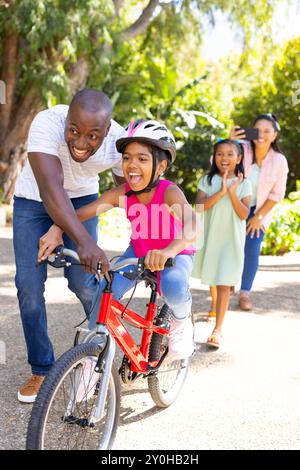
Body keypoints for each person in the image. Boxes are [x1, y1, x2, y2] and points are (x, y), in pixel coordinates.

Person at [39, 119, 197, 363]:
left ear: (161, 166)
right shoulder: (122, 195)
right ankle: (92, 361)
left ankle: (182, 321)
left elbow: (192, 225)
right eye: (127, 158)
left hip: (175, 253)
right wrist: (58, 227)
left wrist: (168, 251)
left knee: (174, 284)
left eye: (142, 159)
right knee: (105, 293)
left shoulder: (169, 192)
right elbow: (81, 213)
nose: (132, 165)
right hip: (138, 252)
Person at [14, 89, 125, 403]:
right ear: (66, 120)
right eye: (74, 131)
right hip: (34, 201)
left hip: (84, 201)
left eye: (93, 136)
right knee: (28, 287)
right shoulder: (46, 123)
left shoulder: (119, 142)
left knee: (84, 282)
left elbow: (124, 192)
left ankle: (102, 355)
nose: (80, 142)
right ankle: (42, 368)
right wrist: (84, 240)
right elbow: (51, 189)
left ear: (107, 131)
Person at [194, 139, 252, 348]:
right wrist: (220, 192)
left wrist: (232, 192)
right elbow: (199, 207)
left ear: (239, 158)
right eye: (220, 153)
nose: (224, 158)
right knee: (213, 276)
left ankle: (218, 329)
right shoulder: (206, 181)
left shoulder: (245, 183)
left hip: (232, 240)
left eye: (230, 154)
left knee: (224, 281)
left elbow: (244, 213)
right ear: (214, 157)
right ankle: (215, 305)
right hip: (211, 237)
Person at [230, 114, 289, 310]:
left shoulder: (279, 161)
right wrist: (231, 142)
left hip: (260, 209)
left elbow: (277, 193)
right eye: (257, 130)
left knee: (252, 249)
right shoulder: (242, 149)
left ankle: (245, 292)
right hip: (236, 204)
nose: (261, 135)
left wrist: (259, 217)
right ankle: (227, 280)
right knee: (231, 246)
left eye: (267, 131)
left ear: (274, 135)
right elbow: (219, 163)